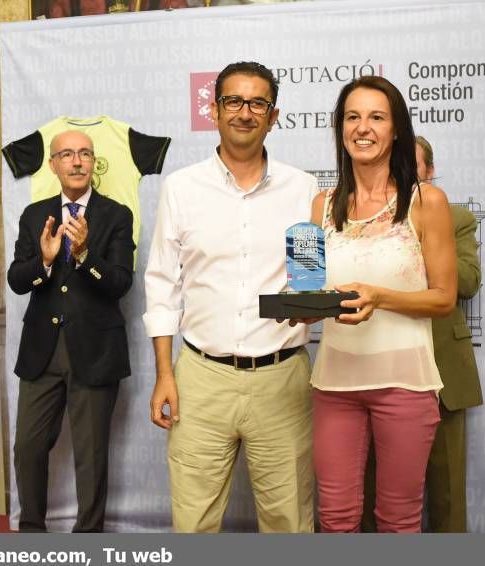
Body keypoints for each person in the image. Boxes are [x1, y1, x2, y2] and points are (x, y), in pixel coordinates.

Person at [144, 61, 317, 533]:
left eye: (257, 102)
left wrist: (309, 302)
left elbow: (308, 283)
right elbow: (162, 284)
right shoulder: (181, 188)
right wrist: (164, 372)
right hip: (200, 379)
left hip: (282, 377)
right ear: (215, 109)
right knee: (194, 523)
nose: (245, 112)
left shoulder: (303, 188)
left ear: (273, 114)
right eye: (234, 101)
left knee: (290, 524)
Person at [307, 77, 457, 533]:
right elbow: (308, 296)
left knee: (398, 519)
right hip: (334, 385)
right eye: (353, 117)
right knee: (334, 519)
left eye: (377, 117)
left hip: (405, 386)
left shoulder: (426, 201)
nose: (363, 127)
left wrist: (381, 296)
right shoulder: (319, 205)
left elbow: (444, 297)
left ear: (396, 130)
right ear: (340, 129)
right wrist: (294, 306)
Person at [7, 130, 134, 532]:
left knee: (91, 456)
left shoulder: (116, 215)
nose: (77, 161)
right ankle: (31, 532)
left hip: (95, 351)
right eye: (67, 154)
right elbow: (15, 279)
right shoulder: (34, 215)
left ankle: (89, 539)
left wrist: (84, 256)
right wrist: (43, 264)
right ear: (53, 164)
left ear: (94, 162)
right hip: (41, 351)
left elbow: (120, 282)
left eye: (84, 154)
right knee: (27, 446)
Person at [361, 136, 483, 533]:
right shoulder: (365, 217)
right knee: (374, 492)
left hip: (442, 371)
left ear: (430, 172)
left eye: (413, 167)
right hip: (381, 371)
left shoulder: (455, 217)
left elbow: (467, 280)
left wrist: (428, 244)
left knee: (447, 495)